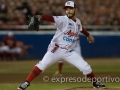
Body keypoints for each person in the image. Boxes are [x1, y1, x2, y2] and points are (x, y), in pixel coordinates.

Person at [17, 1, 106, 90]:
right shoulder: (63, 19)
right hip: (56, 50)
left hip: (69, 52)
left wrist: (89, 36)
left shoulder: (78, 21)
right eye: (67, 9)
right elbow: (51, 18)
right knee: (42, 65)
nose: (68, 11)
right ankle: (26, 83)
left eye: (70, 9)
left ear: (76, 9)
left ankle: (95, 83)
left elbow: (82, 29)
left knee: (86, 67)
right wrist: (39, 16)